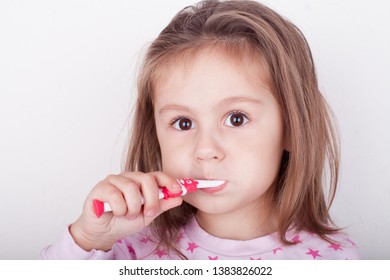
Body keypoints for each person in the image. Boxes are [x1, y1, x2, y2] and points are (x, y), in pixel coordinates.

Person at [41, 0, 360, 260]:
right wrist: (87, 237)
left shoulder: (333, 260)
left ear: (292, 126)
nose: (205, 149)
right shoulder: (126, 249)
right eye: (184, 123)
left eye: (236, 118)